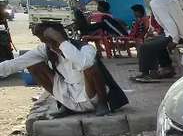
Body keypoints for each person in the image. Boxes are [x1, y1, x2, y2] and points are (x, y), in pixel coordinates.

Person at [0, 22, 128, 116]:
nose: (50, 45)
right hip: (67, 95)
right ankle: (65, 106)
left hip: (90, 95)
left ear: (62, 37)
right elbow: (16, 63)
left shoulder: (85, 48)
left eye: (52, 41)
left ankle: (103, 104)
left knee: (90, 66)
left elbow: (84, 64)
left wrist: (61, 42)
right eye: (46, 42)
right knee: (33, 65)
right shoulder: (46, 49)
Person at [134, 0, 183, 82]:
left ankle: (147, 74)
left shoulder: (155, 3)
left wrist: (174, 41)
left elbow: (169, 23)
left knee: (145, 47)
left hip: (177, 35)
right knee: (155, 41)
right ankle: (167, 69)